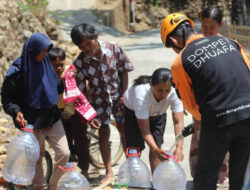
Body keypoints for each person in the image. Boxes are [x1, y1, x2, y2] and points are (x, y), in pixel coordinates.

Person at [160, 13, 250, 190]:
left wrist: (202, 119)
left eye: (172, 46)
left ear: (174, 40)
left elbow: (191, 105)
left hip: (220, 120)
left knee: (205, 177)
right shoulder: (229, 42)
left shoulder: (180, 61)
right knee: (239, 174)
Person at [1, 33, 70, 190]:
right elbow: (7, 97)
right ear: (32, 50)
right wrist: (15, 111)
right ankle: (40, 186)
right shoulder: (18, 71)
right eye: (42, 51)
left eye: (47, 51)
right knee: (36, 157)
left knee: (64, 153)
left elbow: (55, 87)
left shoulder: (46, 65)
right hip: (31, 121)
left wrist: (67, 81)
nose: (45, 55)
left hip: (52, 118)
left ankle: (53, 184)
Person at [70, 23, 134, 183]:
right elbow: (78, 90)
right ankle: (109, 171)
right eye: (81, 46)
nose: (86, 48)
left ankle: (131, 168)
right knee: (103, 135)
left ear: (96, 37)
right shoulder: (80, 63)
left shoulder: (113, 48)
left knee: (125, 132)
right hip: (99, 103)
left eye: (88, 43)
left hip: (119, 98)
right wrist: (89, 113)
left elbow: (124, 70)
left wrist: (124, 93)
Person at [189, 7, 229, 186]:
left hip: (222, 103)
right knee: (200, 142)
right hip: (200, 105)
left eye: (212, 27)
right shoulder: (195, 45)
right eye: (204, 26)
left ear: (220, 25)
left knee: (221, 144)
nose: (207, 30)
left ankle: (223, 178)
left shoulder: (228, 45)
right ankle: (201, 178)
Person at [123, 68, 184, 172]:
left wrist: (179, 147)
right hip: (133, 113)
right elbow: (145, 130)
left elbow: (178, 122)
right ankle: (135, 178)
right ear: (151, 85)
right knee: (135, 148)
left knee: (157, 146)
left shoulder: (174, 93)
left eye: (167, 90)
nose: (164, 94)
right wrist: (155, 149)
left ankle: (156, 182)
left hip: (158, 115)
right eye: (160, 90)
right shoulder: (141, 95)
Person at [48, 47, 90, 178]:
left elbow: (76, 94)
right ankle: (69, 172)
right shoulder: (48, 77)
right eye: (55, 65)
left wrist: (70, 110)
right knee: (66, 144)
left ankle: (84, 171)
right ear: (49, 64)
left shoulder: (70, 74)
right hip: (59, 113)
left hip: (74, 111)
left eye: (61, 64)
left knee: (80, 142)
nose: (59, 68)